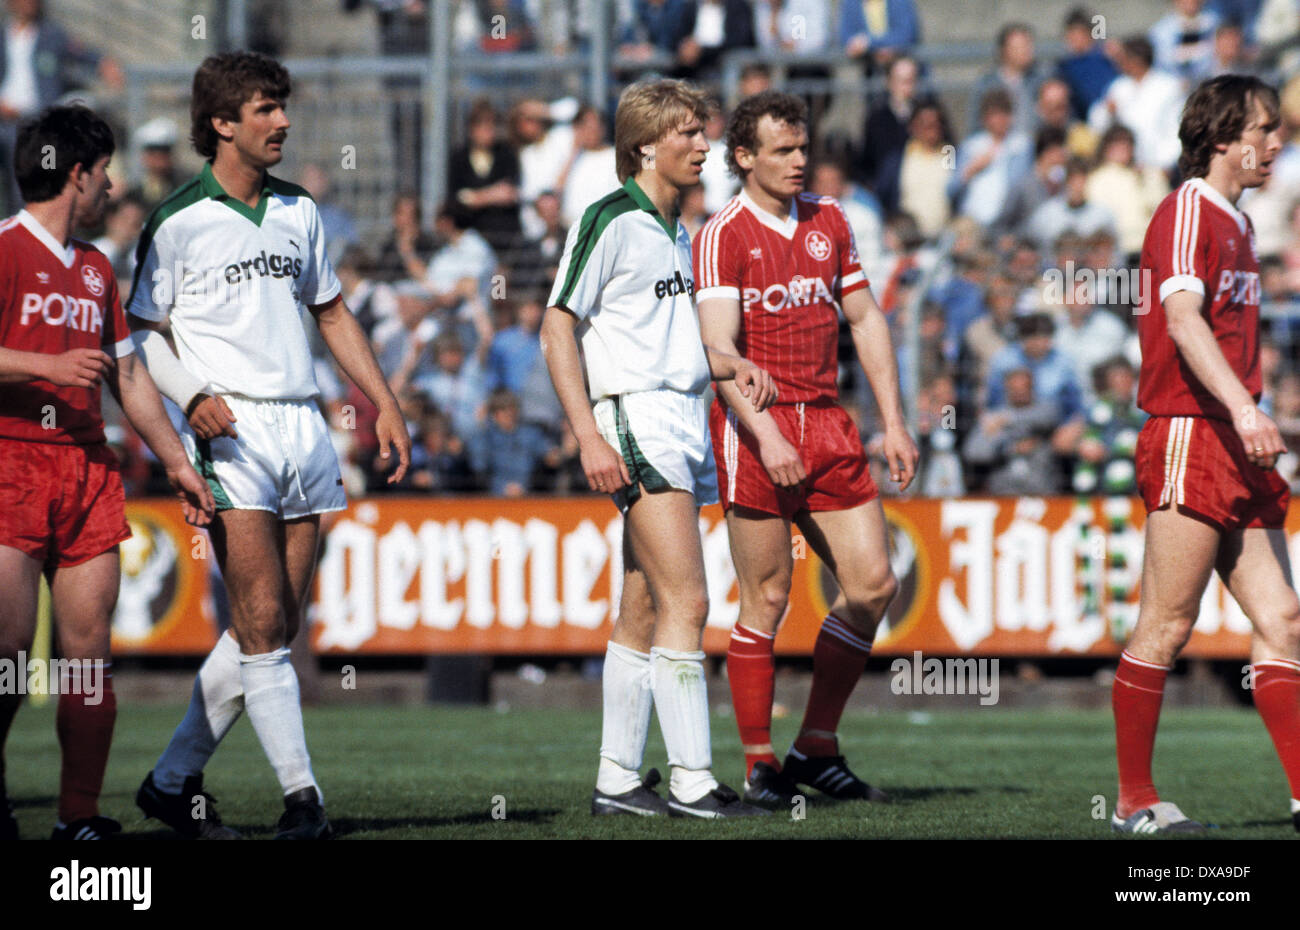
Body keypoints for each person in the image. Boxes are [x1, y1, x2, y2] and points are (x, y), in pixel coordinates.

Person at [126, 52, 411, 840]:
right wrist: (193, 398)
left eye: (282, 106)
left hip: (304, 422)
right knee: (258, 620)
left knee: (274, 626)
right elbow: (140, 336)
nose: (282, 121)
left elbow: (331, 313)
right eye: (264, 109)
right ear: (221, 123)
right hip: (234, 430)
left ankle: (171, 781)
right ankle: (302, 801)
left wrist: (382, 402)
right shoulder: (178, 219)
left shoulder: (299, 210)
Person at [542, 78, 777, 818]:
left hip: (681, 414)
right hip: (637, 419)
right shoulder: (610, 218)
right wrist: (587, 434)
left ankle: (616, 777)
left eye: (703, 133)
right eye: (688, 133)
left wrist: (728, 363)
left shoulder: (675, 229)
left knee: (643, 605)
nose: (704, 145)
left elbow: (665, 343)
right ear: (644, 144)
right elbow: (557, 327)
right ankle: (694, 781)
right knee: (691, 597)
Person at [694, 90, 918, 807]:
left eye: (803, 148)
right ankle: (760, 763)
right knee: (767, 596)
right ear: (743, 158)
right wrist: (764, 435)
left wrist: (895, 421)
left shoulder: (830, 221)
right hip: (755, 427)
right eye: (783, 150)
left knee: (874, 586)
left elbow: (865, 318)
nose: (799, 161)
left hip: (827, 424)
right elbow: (718, 351)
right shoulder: (722, 233)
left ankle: (815, 744)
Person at [0, 103, 213, 841]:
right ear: (77, 175)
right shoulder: (3, 250)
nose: (113, 186)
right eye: (104, 172)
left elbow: (130, 376)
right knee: (8, 650)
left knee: (88, 660)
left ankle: (78, 817)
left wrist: (180, 462)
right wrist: (45, 364)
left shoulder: (94, 270)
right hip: (10, 459)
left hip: (86, 468)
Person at [1113, 74, 1300, 834]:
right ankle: (1133, 803)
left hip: (1231, 439)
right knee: (1167, 621)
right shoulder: (1188, 209)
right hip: (1192, 430)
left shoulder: (1242, 223)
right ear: (1223, 136)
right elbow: (1183, 320)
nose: (1277, 143)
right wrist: (1245, 406)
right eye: (1265, 129)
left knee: (1282, 619)